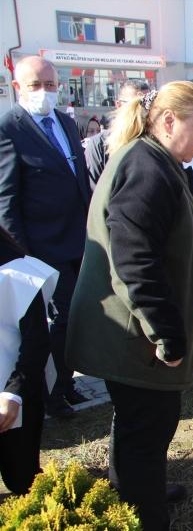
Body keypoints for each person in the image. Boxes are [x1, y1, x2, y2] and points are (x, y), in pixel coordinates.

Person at [65, 81, 193, 530]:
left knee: (140, 424)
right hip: (136, 335)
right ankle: (142, 513)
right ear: (168, 121)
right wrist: (166, 333)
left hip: (135, 331)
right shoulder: (147, 167)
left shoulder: (155, 159)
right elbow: (134, 260)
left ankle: (135, 489)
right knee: (147, 426)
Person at [0, 55, 92, 418]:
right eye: (36, 85)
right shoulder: (9, 127)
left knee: (77, 318)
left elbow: (77, 177)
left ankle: (66, 383)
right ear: (18, 87)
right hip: (40, 246)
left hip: (77, 239)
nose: (45, 93)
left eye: (51, 85)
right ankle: (49, 393)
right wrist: (19, 255)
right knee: (61, 319)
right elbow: (6, 197)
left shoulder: (67, 122)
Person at [0, 227, 54, 495]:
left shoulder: (14, 270)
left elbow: (36, 341)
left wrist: (14, 394)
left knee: (22, 481)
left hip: (15, 396)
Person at [83, 79, 150, 188]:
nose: (142, 111)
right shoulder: (99, 145)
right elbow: (94, 193)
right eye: (136, 105)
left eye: (148, 105)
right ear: (118, 105)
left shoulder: (158, 142)